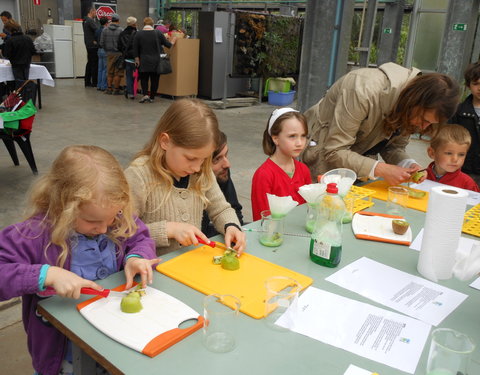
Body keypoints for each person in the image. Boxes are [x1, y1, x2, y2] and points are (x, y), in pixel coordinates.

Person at [0, 145, 158, 375]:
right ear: (62, 205)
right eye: (92, 221)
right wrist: (47, 275)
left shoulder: (114, 218)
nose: (105, 228)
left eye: (112, 217)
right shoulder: (33, 234)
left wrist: (137, 257)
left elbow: (140, 236)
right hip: (63, 356)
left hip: (112, 343)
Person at [302, 62, 460, 185]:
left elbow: (393, 146)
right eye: (424, 120)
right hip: (317, 160)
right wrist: (380, 169)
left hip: (351, 169)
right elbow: (335, 150)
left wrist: (408, 164)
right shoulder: (362, 89)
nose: (423, 127)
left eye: (430, 124)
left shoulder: (410, 105)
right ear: (414, 100)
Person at [124, 99, 246, 255]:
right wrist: (169, 229)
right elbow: (121, 232)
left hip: (190, 265)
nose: (197, 167)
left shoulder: (201, 171)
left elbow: (220, 209)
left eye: (204, 159)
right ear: (165, 142)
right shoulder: (139, 176)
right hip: (153, 271)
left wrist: (231, 226)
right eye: (190, 158)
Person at [251, 108, 312, 221]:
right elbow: (262, 219)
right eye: (292, 136)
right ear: (275, 138)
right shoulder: (264, 175)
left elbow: (310, 210)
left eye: (303, 136)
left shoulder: (303, 170)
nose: (299, 143)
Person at [201, 131, 244, 237]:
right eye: (217, 159)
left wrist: (233, 229)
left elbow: (233, 210)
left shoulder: (222, 173)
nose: (227, 164)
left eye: (226, 155)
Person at [449, 62, 480, 187]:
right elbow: (448, 139)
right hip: (463, 171)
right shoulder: (458, 111)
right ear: (468, 85)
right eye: (476, 83)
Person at [425, 124, 480, 192]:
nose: (455, 159)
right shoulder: (421, 177)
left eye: (461, 154)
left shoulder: (468, 184)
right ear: (432, 153)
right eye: (449, 153)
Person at [133, 17, 174, 103]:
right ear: (152, 24)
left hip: (143, 60)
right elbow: (168, 45)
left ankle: (145, 95)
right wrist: (174, 41)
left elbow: (135, 48)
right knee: (155, 80)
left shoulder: (139, 34)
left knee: (144, 79)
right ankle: (152, 97)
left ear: (144, 24)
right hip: (156, 61)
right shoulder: (158, 33)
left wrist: (137, 59)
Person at [2, 20, 35, 84]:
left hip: (16, 65)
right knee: (26, 82)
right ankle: (26, 93)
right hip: (27, 64)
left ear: (9, 30)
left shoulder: (10, 40)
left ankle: (19, 93)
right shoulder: (28, 38)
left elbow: (7, 54)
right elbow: (33, 51)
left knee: (19, 83)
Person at [99, 13, 124, 95]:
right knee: (118, 72)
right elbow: (123, 43)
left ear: (111, 20)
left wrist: (107, 50)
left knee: (109, 72)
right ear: (118, 21)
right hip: (119, 54)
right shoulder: (121, 30)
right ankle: (116, 89)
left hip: (109, 54)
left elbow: (101, 43)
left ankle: (109, 89)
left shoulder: (105, 30)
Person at [118, 16, 137, 99]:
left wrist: (124, 51)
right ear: (134, 24)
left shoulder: (122, 33)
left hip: (127, 58)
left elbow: (118, 46)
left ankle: (130, 92)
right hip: (136, 58)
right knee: (136, 76)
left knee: (129, 76)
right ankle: (132, 90)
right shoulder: (137, 33)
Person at [82, 7, 98, 88]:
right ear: (91, 12)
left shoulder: (85, 20)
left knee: (89, 63)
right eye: (95, 12)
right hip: (92, 45)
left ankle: (87, 81)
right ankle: (94, 82)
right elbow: (97, 30)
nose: (96, 14)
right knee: (94, 64)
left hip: (88, 44)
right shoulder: (90, 21)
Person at [95, 16, 108, 91]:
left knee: (100, 69)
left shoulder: (97, 30)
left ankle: (98, 85)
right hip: (105, 50)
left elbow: (95, 40)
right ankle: (103, 86)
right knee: (105, 69)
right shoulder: (105, 30)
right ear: (106, 23)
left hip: (99, 50)